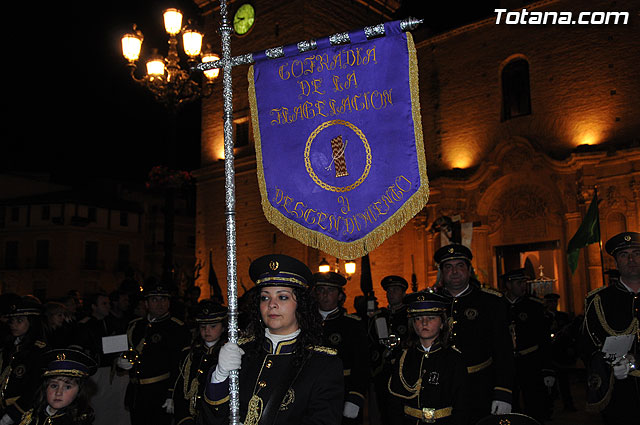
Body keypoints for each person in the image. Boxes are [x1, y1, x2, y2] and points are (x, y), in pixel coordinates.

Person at [201, 254, 344, 425]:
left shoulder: (323, 364)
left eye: (282, 297)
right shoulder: (241, 352)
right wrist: (219, 376)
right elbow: (212, 415)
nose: (271, 304)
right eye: (265, 297)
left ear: (301, 305)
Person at [433, 244, 514, 424]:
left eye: (460, 266)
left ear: (469, 270)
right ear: (441, 272)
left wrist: (503, 391)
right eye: (448, 267)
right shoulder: (432, 303)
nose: (454, 271)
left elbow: (503, 350)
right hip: (440, 388)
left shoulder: (491, 302)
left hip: (480, 386)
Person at [579, 231, 640, 424]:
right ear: (616, 262)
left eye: (637, 253)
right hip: (619, 391)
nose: (631, 259)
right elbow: (587, 346)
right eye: (624, 255)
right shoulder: (600, 300)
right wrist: (608, 364)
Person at [387, 291, 469, 425]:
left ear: (442, 323)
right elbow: (394, 404)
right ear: (413, 324)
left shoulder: (454, 359)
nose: (424, 323)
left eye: (431, 318)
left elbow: (462, 406)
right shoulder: (404, 357)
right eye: (418, 319)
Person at [117, 279, 191, 425]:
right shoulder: (135, 325)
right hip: (136, 393)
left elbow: (180, 365)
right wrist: (120, 362)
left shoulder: (176, 328)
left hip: (160, 393)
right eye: (154, 299)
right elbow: (126, 353)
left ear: (169, 302)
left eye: (163, 299)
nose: (159, 303)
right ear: (146, 303)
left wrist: (172, 394)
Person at [313, 271, 369, 424]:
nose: (325, 295)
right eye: (321, 290)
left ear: (339, 296)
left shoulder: (352, 325)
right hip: (312, 393)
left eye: (330, 290)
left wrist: (355, 396)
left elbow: (362, 364)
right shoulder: (306, 324)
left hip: (342, 391)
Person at [501, 269, 554, 423]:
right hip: (507, 363)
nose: (523, 286)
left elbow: (543, 340)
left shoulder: (534, 306)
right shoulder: (498, 306)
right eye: (519, 283)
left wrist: (547, 369)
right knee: (510, 406)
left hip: (531, 361)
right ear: (508, 285)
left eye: (524, 282)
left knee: (535, 404)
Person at [74, 292, 130, 425]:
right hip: (96, 372)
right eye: (103, 304)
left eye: (108, 303)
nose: (108, 306)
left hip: (114, 371)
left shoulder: (113, 322)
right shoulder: (85, 325)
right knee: (98, 405)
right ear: (94, 306)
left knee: (117, 405)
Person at [172, 299, 227, 425]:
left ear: (223, 327)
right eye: (203, 327)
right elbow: (181, 390)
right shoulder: (190, 354)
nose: (207, 331)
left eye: (213, 326)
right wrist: (184, 419)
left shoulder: (227, 354)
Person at [0, 297, 48, 425]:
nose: (14, 325)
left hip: (22, 412)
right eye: (12, 320)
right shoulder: (8, 347)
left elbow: (34, 388)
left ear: (31, 322)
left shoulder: (37, 351)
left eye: (19, 321)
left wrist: (13, 414)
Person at [18, 348, 97, 425]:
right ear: (45, 388)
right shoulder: (33, 415)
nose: (58, 393)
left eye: (67, 387)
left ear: (79, 391)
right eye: (54, 386)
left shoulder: (79, 421)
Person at [370, 275, 409, 425]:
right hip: (383, 373)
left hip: (404, 372)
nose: (391, 293)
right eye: (389, 290)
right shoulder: (379, 317)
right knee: (384, 412)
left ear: (403, 293)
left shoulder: (409, 316)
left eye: (395, 290)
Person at [543, 293, 577, 413]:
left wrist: (570, 347)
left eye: (554, 302)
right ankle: (549, 407)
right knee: (549, 383)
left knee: (564, 381)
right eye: (550, 302)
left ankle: (568, 404)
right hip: (549, 354)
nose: (553, 304)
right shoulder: (542, 317)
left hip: (561, 353)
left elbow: (570, 334)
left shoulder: (563, 316)